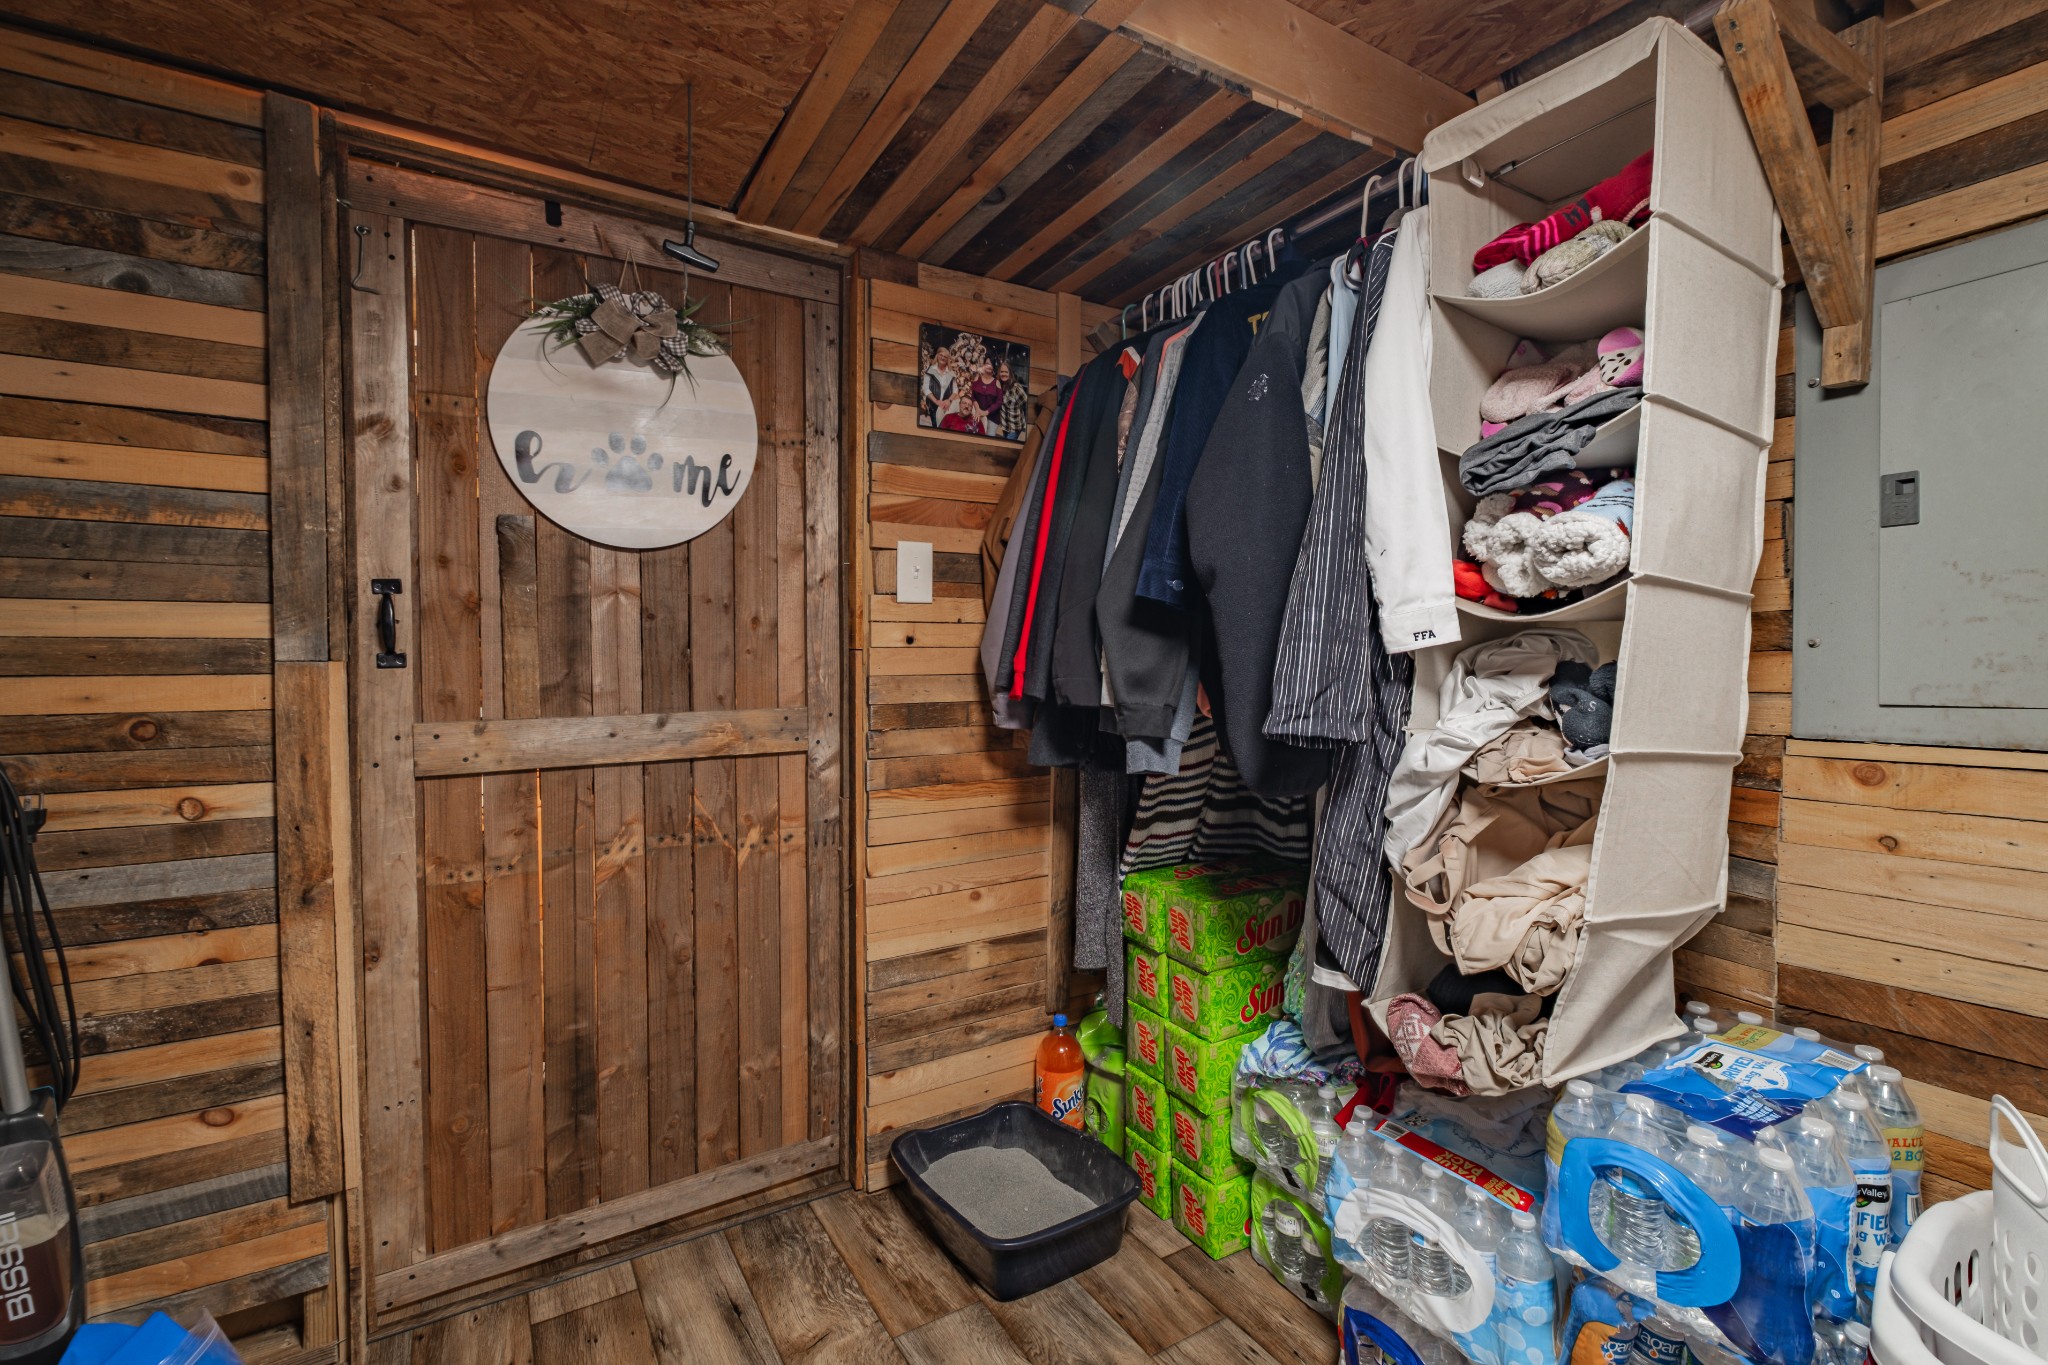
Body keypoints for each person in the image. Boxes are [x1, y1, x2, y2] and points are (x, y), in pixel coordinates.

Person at [921, 347, 956, 425]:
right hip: (933, 405)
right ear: (937, 355)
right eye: (941, 355)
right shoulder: (930, 370)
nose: (943, 358)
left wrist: (948, 401)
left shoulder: (951, 373)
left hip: (946, 406)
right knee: (936, 426)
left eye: (945, 356)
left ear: (947, 359)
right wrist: (936, 401)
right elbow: (925, 388)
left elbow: (955, 390)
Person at [998, 360, 1029, 441]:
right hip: (1005, 426)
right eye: (1001, 372)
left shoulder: (1016, 387)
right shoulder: (999, 385)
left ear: (1010, 373)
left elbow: (1026, 404)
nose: (1003, 374)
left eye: (1006, 372)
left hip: (1015, 427)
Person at [971, 359, 1004, 436]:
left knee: (989, 437)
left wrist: (986, 412)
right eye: (986, 363)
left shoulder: (997, 382)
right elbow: (973, 396)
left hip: (992, 416)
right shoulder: (977, 379)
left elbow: (999, 402)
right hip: (977, 412)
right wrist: (978, 409)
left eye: (991, 364)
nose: (989, 366)